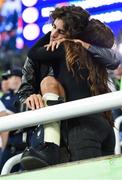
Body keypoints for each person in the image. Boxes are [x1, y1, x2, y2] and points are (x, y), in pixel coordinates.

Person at [18, 5, 120, 170]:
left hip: (79, 129)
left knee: (47, 82)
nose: (54, 34)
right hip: (101, 126)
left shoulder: (69, 47)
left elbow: (115, 59)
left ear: (72, 35)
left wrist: (68, 40)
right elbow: (23, 93)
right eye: (53, 28)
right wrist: (29, 98)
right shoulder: (82, 51)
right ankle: (49, 144)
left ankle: (49, 145)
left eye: (61, 31)